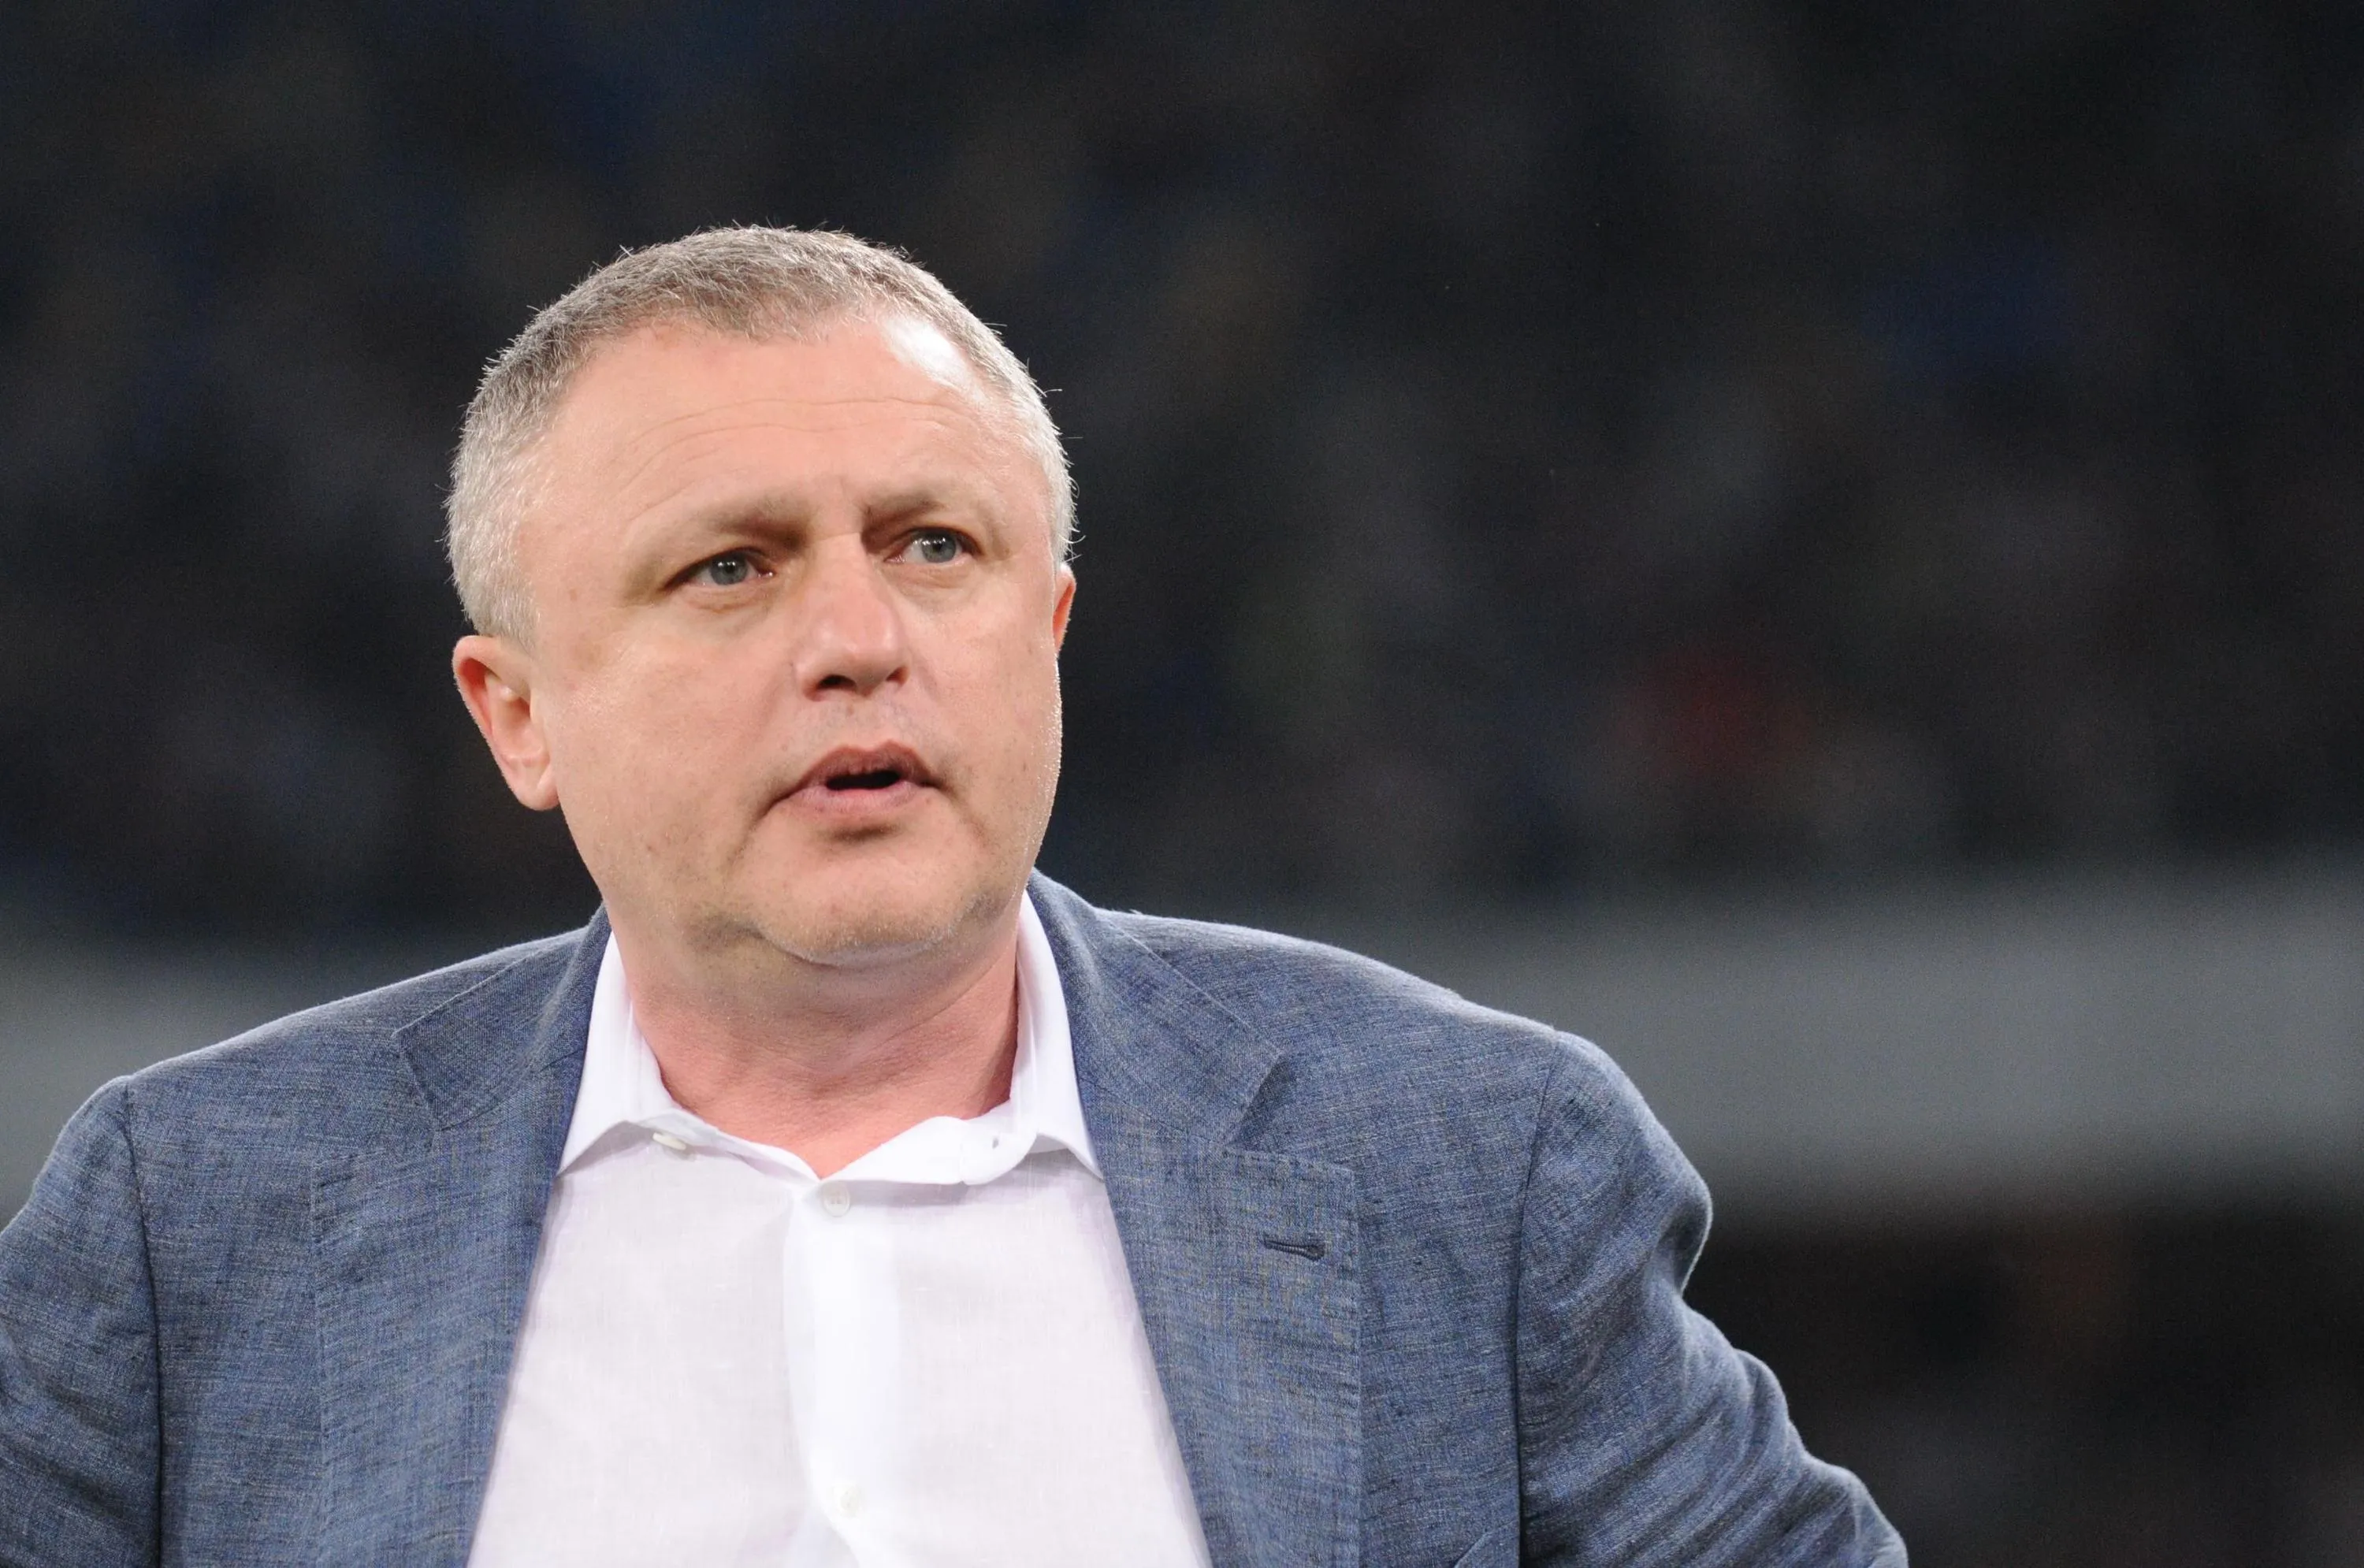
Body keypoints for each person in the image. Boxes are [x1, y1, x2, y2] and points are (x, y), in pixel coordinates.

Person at [0, 227, 1903, 1566]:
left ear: (1047, 630)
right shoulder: (190, 1224)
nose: (861, 636)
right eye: (732, 567)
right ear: (520, 713)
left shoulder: (1470, 1164)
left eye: (934, 545)